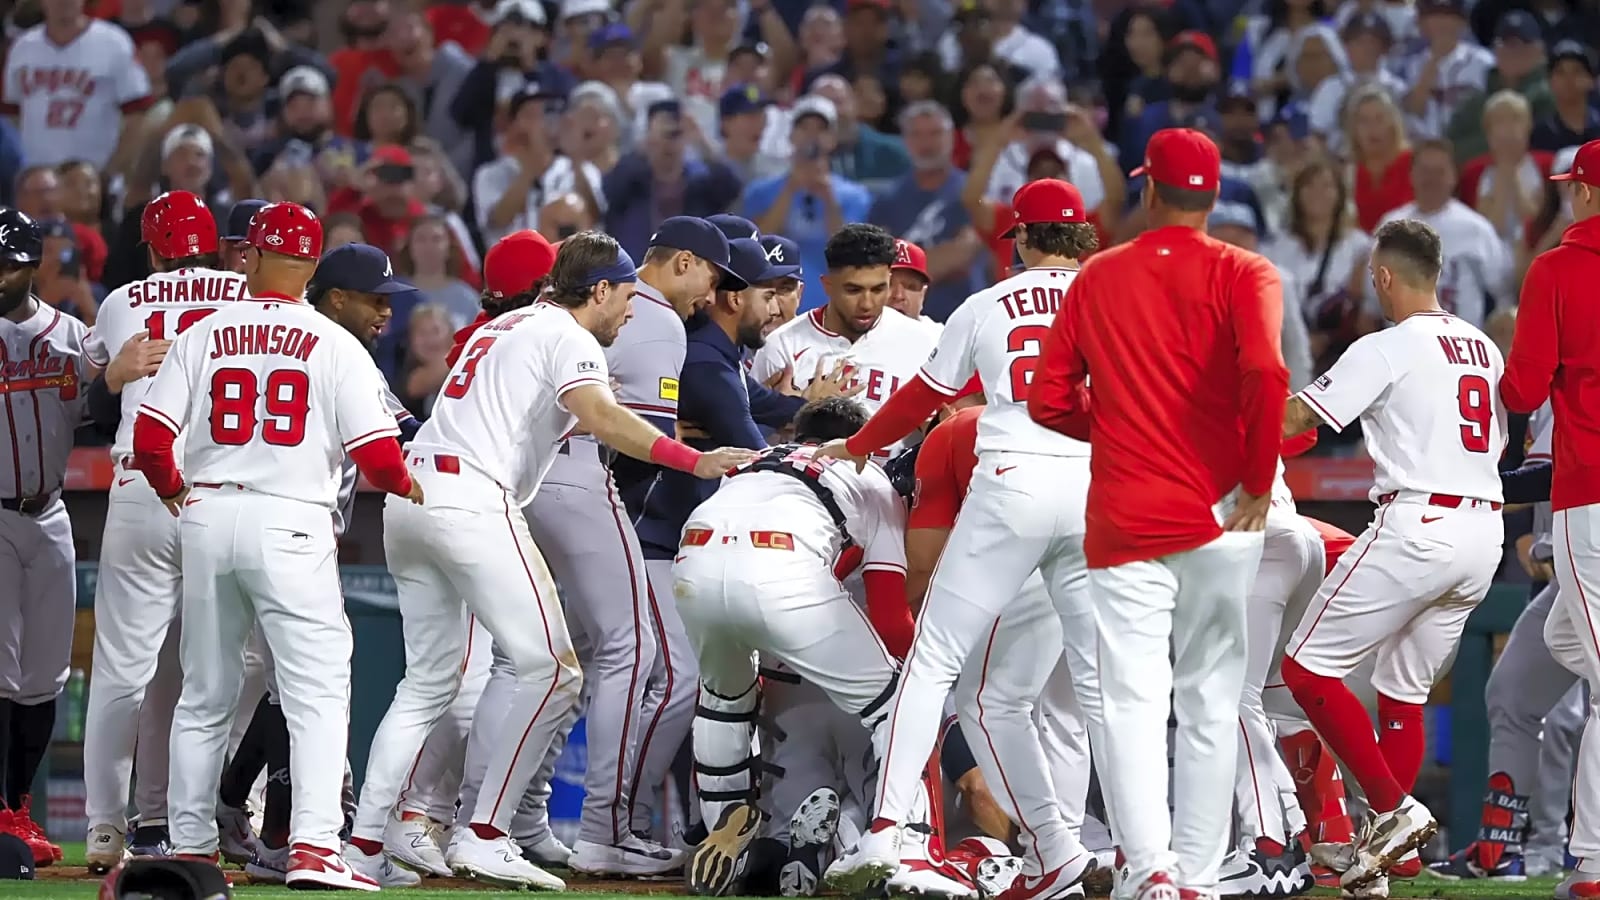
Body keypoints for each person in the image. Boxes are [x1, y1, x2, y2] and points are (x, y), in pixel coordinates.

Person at [358, 231, 755, 889]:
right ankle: (485, 832)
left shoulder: (505, 322)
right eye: (625, 297)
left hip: (413, 491)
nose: (630, 313)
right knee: (556, 669)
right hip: (472, 499)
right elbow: (601, 416)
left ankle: (374, 838)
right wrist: (694, 459)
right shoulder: (568, 336)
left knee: (429, 682)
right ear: (598, 289)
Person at [1026, 128, 1288, 899]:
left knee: (1133, 701)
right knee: (1211, 697)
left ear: (1148, 190)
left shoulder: (1099, 276)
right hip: (1222, 514)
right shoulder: (1250, 271)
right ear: (1211, 196)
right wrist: (1257, 478)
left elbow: (1047, 398)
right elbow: (1267, 374)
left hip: (1126, 515)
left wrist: (1110, 425)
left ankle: (1153, 871)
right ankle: (1201, 878)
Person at [819, 180, 1100, 900]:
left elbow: (924, 396)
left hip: (1013, 476)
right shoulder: (1114, 293)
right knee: (1092, 691)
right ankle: (1121, 854)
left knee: (933, 662)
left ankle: (889, 833)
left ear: (1023, 240)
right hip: (1098, 491)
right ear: (1083, 238)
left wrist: (857, 443)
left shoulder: (987, 303)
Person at [129, 201, 419, 890]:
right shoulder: (334, 343)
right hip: (292, 521)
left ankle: (193, 846)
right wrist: (410, 486)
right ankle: (315, 848)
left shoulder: (205, 331)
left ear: (250, 257)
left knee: (204, 695)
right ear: (313, 268)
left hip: (207, 514)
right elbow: (378, 457)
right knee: (315, 689)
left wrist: (175, 488)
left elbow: (148, 441)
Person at [1279, 219, 1506, 895]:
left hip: (1420, 522)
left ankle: (1392, 809)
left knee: (1306, 669)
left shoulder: (1387, 346)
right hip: (1481, 534)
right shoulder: (1482, 346)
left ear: (1383, 276)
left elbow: (1300, 419)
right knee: (1402, 692)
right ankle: (1393, 858)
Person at [674, 398, 915, 896]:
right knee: (900, 705)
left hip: (694, 552)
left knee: (722, 702)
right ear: (863, 442)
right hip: (782, 569)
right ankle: (902, 843)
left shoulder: (756, 461)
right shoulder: (870, 478)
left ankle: (726, 833)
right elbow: (890, 612)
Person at [80, 191, 249, 874]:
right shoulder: (245, 293)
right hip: (222, 488)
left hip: (142, 485)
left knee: (123, 669)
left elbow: (96, 382)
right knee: (219, 669)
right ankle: (207, 821)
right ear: (212, 244)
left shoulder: (125, 299)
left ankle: (102, 827)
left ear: (151, 249)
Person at [1499, 138, 1600, 900]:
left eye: (1575, 187)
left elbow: (1524, 386)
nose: (1571, 195)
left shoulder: (1559, 268)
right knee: (1570, 637)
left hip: (1589, 495)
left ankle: (1593, 865)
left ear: (1588, 192)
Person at [0, 207, 89, 867]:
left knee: (45, 676)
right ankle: (2, 812)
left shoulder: (74, 338)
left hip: (52, 512)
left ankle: (19, 806)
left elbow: (108, 404)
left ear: (33, 265)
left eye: (7, 263)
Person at [747, 224, 939, 449]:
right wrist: (786, 412)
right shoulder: (782, 345)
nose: (867, 304)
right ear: (827, 285)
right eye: (853, 290)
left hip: (890, 482)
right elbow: (752, 438)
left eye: (878, 289)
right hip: (803, 480)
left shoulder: (923, 342)